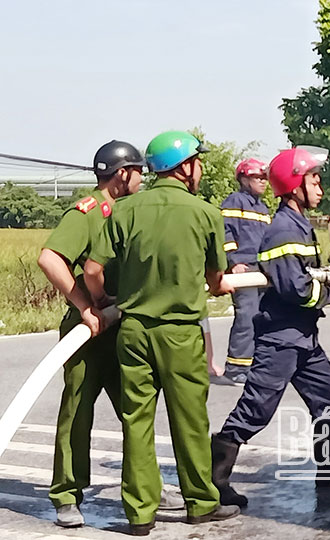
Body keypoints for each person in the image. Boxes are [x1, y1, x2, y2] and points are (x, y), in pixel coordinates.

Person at [84, 130, 240, 535]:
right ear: (185, 166)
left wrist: (105, 301)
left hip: (133, 331)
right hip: (180, 333)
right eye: (198, 161)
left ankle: (139, 514)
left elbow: (92, 270)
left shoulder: (124, 210)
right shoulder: (205, 213)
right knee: (189, 419)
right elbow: (216, 278)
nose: (200, 168)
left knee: (136, 421)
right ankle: (201, 503)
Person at [210, 147, 330, 509]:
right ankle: (213, 482)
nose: (320, 189)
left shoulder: (297, 224)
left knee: (328, 397)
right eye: (314, 181)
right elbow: (294, 288)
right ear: (295, 184)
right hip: (281, 339)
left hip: (302, 338)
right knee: (255, 410)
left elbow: (305, 275)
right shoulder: (284, 229)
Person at [37, 141, 184, 528]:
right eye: (139, 172)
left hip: (125, 330)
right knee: (78, 411)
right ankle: (67, 495)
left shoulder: (131, 213)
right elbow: (50, 258)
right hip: (89, 335)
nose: (142, 179)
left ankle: (147, 489)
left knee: (137, 414)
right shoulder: (90, 212)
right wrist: (86, 306)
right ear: (123, 174)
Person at [218, 158, 271, 384]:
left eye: (264, 178)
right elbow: (225, 234)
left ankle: (256, 364)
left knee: (262, 317)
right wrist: (233, 262)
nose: (262, 182)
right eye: (257, 178)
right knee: (246, 317)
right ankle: (236, 367)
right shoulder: (234, 201)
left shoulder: (263, 207)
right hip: (243, 269)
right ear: (243, 179)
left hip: (261, 270)